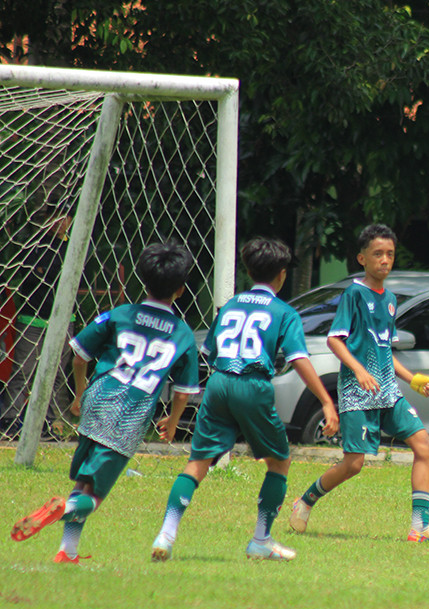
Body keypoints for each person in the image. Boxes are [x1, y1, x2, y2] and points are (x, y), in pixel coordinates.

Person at [10, 241, 200, 563]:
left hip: (98, 399)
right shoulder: (183, 334)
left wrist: (81, 393)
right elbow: (183, 392)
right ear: (181, 290)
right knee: (93, 497)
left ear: (143, 279)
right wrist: (173, 419)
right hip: (130, 411)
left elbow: (79, 356)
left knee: (83, 478)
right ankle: (63, 509)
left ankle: (67, 551)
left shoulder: (120, 313)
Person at [150, 238, 338, 562]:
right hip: (253, 385)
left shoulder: (231, 305)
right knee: (279, 461)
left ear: (248, 271)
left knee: (198, 463)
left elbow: (206, 352)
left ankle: (166, 534)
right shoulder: (284, 312)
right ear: (281, 275)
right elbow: (299, 359)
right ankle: (261, 540)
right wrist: (326, 400)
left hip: (219, 383)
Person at [288, 224, 429, 543]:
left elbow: (384, 350)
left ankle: (419, 526)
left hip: (389, 393)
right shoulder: (354, 294)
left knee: (425, 447)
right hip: (358, 395)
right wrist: (359, 370)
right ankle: (305, 501)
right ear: (361, 258)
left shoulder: (391, 299)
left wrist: (413, 379)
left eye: (390, 254)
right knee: (354, 464)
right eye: (378, 254)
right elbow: (336, 341)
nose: (385, 260)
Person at [0, 208, 75, 438]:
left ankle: (49, 422)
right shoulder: (35, 245)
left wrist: (50, 273)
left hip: (63, 320)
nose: (62, 222)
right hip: (33, 318)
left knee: (57, 373)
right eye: (57, 217)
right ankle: (9, 419)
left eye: (66, 217)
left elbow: (68, 275)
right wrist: (48, 273)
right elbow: (33, 275)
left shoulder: (74, 247)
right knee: (24, 369)